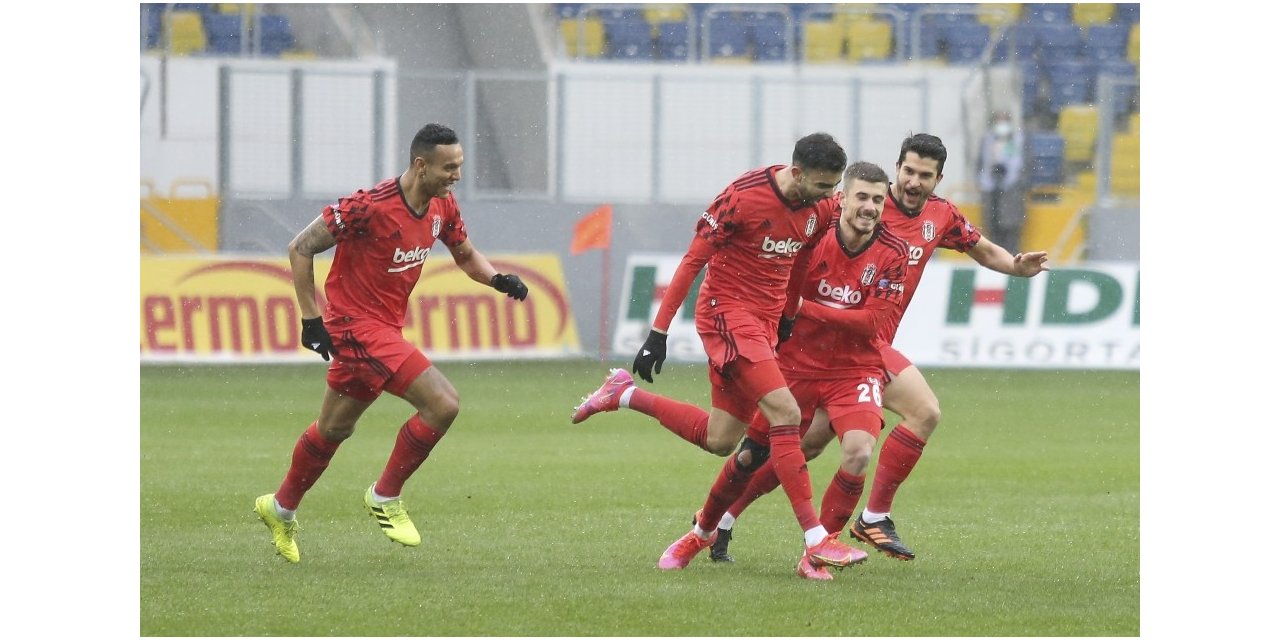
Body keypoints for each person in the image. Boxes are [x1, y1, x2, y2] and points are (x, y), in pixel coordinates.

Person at [707, 133, 1050, 564]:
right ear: (897, 168)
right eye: (908, 171)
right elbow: (798, 225)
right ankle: (734, 520)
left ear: (937, 179)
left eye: (924, 176)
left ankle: (753, 524)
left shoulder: (941, 216)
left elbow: (981, 249)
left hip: (866, 349)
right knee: (791, 441)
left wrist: (1015, 266)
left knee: (826, 439)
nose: (913, 182)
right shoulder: (860, 204)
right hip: (815, 348)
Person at [570, 133, 856, 568]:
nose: (829, 196)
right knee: (785, 412)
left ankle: (624, 395)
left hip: (763, 323)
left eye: (833, 187)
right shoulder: (742, 198)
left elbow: (800, 260)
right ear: (796, 172)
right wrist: (658, 331)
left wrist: (789, 313)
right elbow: (692, 261)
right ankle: (815, 537)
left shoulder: (822, 208)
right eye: (822, 186)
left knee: (721, 440)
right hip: (726, 314)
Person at [253, 123, 530, 563]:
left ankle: (280, 506)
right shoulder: (368, 207)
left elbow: (464, 254)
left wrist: (496, 278)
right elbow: (301, 247)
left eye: (460, 165)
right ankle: (385, 495)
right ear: (421, 165)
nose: (457, 175)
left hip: (384, 330)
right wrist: (311, 319)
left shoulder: (442, 205)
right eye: (449, 167)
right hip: (354, 326)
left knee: (333, 430)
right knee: (443, 403)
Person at [670, 161, 910, 580]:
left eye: (877, 199)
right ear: (842, 198)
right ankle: (705, 528)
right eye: (861, 197)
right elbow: (776, 288)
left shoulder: (893, 252)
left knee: (857, 451)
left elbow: (873, 324)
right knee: (745, 455)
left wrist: (804, 308)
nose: (870, 207)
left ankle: (818, 550)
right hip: (794, 364)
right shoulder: (811, 234)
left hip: (854, 370)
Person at [977, 111, 1026, 253]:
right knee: (992, 228)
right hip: (991, 189)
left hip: (1011, 190)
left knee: (1010, 229)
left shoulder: (1018, 140)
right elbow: (980, 164)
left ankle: (1012, 259)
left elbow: (1023, 165)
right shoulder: (987, 141)